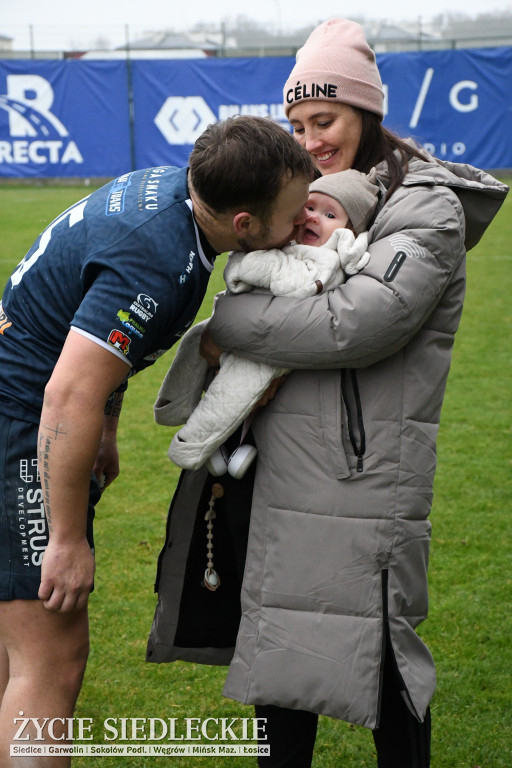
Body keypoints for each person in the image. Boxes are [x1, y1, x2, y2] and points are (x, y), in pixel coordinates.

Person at [146, 19, 509, 768]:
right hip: (286, 473)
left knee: (381, 661)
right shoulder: (304, 202)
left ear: (366, 113)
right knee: (279, 661)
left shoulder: (427, 204)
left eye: (326, 120)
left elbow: (355, 325)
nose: (309, 139)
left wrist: (232, 321)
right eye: (297, 123)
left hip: (367, 479)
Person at [0, 114, 315, 763]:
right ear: (245, 226)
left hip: (24, 406)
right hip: (21, 425)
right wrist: (63, 539)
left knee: (13, 645)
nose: (302, 223)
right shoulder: (158, 258)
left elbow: (86, 341)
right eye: (294, 213)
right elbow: (68, 394)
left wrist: (108, 430)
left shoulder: (175, 193)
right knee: (48, 664)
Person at [154, 169, 379, 481]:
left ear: (348, 230)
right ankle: (175, 407)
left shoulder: (328, 261)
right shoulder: (282, 243)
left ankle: (195, 445)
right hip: (245, 329)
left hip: (272, 346)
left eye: (330, 214)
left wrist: (254, 269)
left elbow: (301, 285)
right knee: (195, 343)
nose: (313, 218)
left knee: (235, 392)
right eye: (310, 208)